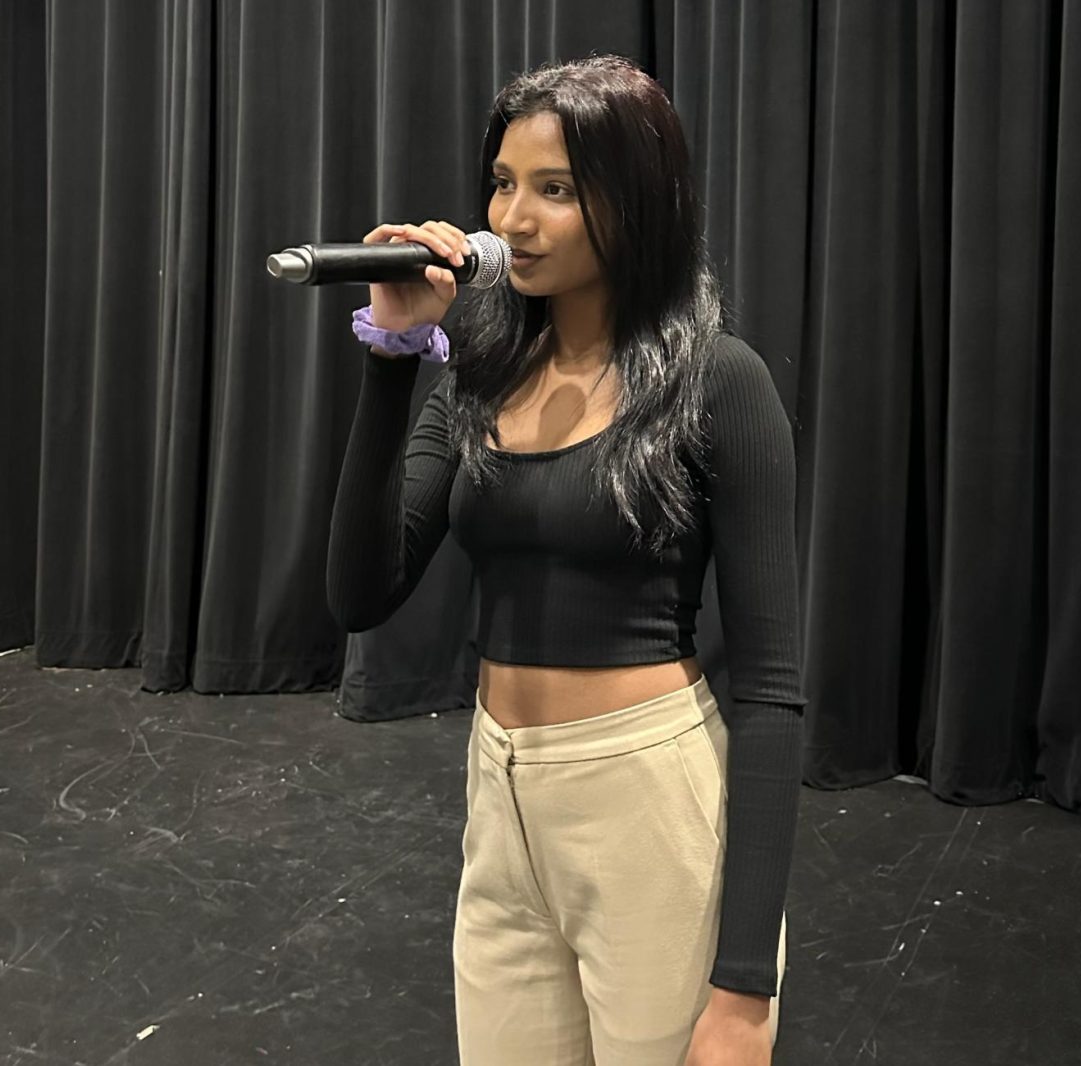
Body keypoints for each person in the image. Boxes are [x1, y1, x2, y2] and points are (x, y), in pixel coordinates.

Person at [328, 54, 804, 1066]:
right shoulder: (479, 374)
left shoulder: (722, 384)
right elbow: (360, 593)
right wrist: (390, 358)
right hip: (500, 795)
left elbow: (771, 689)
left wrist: (745, 990)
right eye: (503, 183)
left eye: (556, 189)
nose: (515, 217)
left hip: (646, 798)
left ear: (634, 202)